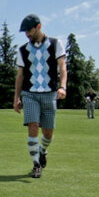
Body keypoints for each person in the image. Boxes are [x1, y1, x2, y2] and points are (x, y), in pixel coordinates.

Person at [14, 14, 67, 178]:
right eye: (25, 33)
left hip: (50, 94)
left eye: (29, 31)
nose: (27, 35)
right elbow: (20, 75)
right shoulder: (23, 50)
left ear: (39, 26)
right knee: (33, 126)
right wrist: (17, 97)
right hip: (30, 94)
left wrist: (62, 87)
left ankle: (42, 151)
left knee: (48, 133)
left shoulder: (55, 44)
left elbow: (62, 68)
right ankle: (36, 164)